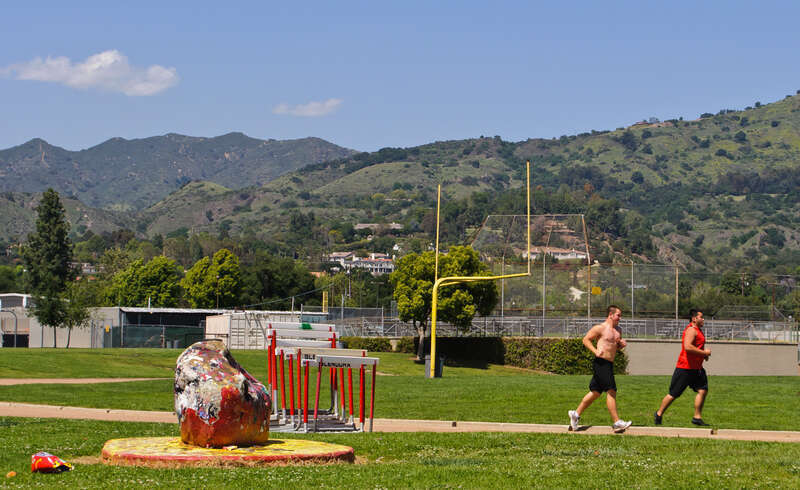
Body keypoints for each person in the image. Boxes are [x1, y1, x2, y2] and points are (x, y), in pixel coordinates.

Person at [568, 305, 632, 433]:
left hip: (609, 364)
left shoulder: (618, 330)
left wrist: (620, 345)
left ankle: (575, 414)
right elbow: (586, 340)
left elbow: (614, 346)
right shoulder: (600, 328)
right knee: (611, 390)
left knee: (596, 392)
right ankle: (616, 422)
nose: (620, 318)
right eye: (618, 315)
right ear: (610, 315)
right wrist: (595, 351)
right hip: (600, 363)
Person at [654, 309, 711, 426]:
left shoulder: (699, 331)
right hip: (685, 368)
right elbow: (688, 347)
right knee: (674, 394)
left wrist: (703, 355)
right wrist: (704, 353)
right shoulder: (691, 330)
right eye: (701, 317)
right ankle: (659, 413)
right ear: (694, 319)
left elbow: (697, 347)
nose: (703, 319)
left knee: (703, 390)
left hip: (697, 369)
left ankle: (697, 417)